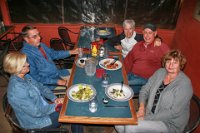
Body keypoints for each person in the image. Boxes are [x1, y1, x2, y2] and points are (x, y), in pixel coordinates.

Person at [115, 49, 193, 133]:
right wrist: (141, 108)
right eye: (168, 61)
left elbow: (173, 112)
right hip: (149, 113)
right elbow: (145, 90)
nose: (170, 65)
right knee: (119, 123)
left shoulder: (184, 84)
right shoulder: (160, 72)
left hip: (169, 123)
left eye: (175, 62)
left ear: (180, 65)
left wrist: (145, 118)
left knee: (131, 127)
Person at [3, 52, 64, 129]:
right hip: (37, 122)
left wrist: (55, 99)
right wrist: (56, 106)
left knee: (69, 106)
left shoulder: (25, 76)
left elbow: (41, 87)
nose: (28, 64)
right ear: (16, 68)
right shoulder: (17, 89)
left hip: (44, 108)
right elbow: (36, 112)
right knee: (70, 111)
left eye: (26, 62)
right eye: (24, 64)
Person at [21, 25, 78, 90]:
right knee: (78, 85)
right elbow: (35, 77)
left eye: (38, 34)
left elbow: (53, 54)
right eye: (34, 36)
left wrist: (72, 52)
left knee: (79, 73)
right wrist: (57, 81)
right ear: (26, 39)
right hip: (49, 84)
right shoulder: (25, 55)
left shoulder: (41, 45)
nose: (39, 38)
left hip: (58, 74)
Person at [124, 23, 170, 93]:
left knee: (121, 85)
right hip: (131, 74)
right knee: (116, 78)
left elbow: (171, 59)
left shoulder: (160, 46)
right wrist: (123, 74)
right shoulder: (138, 45)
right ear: (143, 33)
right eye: (145, 33)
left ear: (155, 34)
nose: (147, 35)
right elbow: (128, 61)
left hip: (145, 80)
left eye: (150, 33)